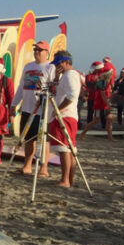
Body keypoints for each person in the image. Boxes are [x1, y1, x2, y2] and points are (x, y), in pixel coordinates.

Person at [9, 41, 55, 174]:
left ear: (46, 52)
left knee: (43, 140)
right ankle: (27, 166)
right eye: (35, 49)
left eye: (40, 50)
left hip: (43, 111)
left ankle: (43, 168)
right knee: (28, 139)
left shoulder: (50, 67)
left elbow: (54, 89)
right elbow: (21, 87)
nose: (36, 52)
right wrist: (14, 103)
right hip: (27, 109)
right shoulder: (28, 66)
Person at [48, 51, 81, 188]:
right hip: (68, 115)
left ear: (66, 62)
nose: (56, 66)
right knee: (69, 148)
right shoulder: (66, 76)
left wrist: (58, 109)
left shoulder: (70, 75)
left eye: (58, 63)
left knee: (64, 149)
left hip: (65, 116)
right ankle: (69, 180)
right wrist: (56, 77)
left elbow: (73, 95)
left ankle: (65, 179)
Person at [80, 58, 115, 140]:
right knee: (96, 120)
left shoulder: (103, 81)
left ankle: (110, 137)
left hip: (101, 103)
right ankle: (82, 134)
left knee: (108, 119)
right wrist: (108, 104)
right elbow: (103, 94)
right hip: (101, 103)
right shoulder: (103, 82)